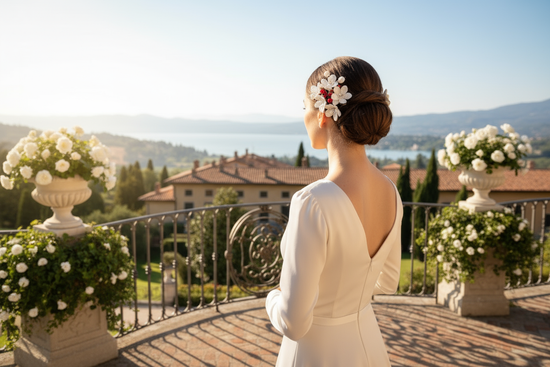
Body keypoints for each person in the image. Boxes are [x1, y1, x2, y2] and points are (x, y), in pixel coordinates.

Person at [265, 56, 403, 366]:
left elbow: (294, 324)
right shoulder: (391, 192)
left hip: (317, 354)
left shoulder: (312, 201)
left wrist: (272, 298)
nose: (304, 117)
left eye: (304, 108)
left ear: (323, 113)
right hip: (369, 344)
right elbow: (388, 281)